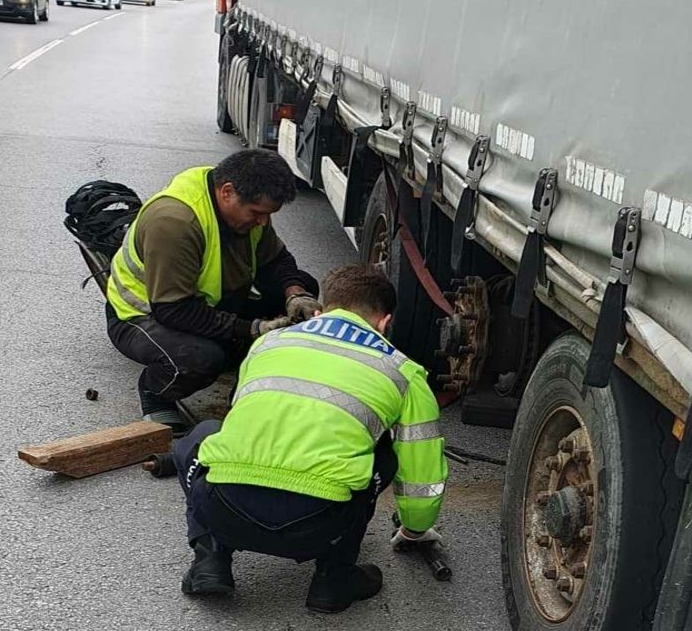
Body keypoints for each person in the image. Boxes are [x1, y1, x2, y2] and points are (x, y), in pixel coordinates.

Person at [170, 264, 448, 613]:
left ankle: (209, 560)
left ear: (320, 311)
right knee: (384, 453)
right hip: (318, 524)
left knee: (203, 436)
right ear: (384, 323)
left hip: (223, 506)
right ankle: (333, 580)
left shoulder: (266, 344)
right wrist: (415, 529)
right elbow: (421, 468)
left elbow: (240, 416)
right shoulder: (403, 371)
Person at [105, 150, 322, 437]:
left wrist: (296, 294)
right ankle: (156, 392)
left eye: (268, 215)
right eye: (257, 213)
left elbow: (276, 261)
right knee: (201, 359)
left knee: (301, 286)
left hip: (207, 302)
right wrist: (253, 328)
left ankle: (239, 349)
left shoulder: (244, 203)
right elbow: (174, 310)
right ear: (228, 192)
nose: (262, 222)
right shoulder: (176, 222)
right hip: (142, 316)